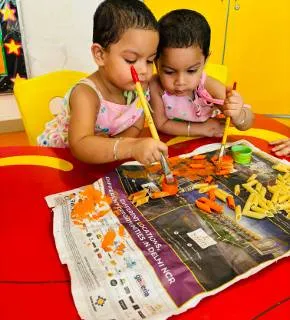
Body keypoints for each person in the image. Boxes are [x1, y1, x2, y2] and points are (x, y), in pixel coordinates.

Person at [37, 0, 168, 165]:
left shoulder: (139, 89)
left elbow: (135, 126)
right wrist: (130, 147)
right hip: (59, 161)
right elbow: (80, 145)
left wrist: (116, 148)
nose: (143, 70)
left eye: (150, 60)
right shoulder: (85, 94)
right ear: (100, 55)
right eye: (131, 60)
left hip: (101, 162)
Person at [150, 9, 254, 138]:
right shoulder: (155, 86)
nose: (180, 82)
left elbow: (247, 122)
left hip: (206, 143)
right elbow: (161, 124)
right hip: (169, 143)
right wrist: (203, 129)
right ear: (156, 62)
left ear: (205, 61)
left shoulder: (209, 87)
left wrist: (238, 115)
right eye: (169, 72)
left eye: (191, 71)